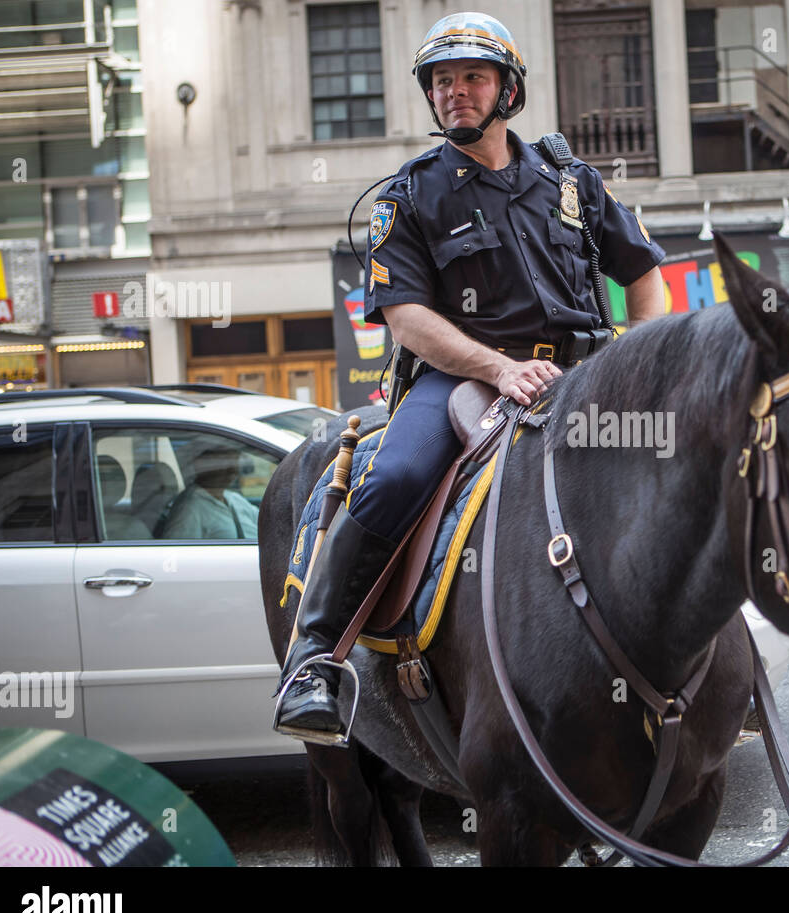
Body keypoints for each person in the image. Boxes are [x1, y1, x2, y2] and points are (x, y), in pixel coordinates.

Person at [273, 12, 668, 739]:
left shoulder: (572, 180)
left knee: (685, 468)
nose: (455, 92)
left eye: (472, 78)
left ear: (507, 90)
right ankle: (312, 660)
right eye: (442, 81)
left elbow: (644, 274)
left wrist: (637, 361)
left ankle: (710, 665)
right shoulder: (410, 195)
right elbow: (405, 317)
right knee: (392, 478)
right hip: (460, 380)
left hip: (585, 377)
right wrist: (497, 365)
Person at [162, 447, 259, 539]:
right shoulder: (189, 510)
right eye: (225, 460)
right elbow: (178, 553)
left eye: (235, 460)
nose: (233, 469)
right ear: (200, 465)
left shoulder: (233, 498)